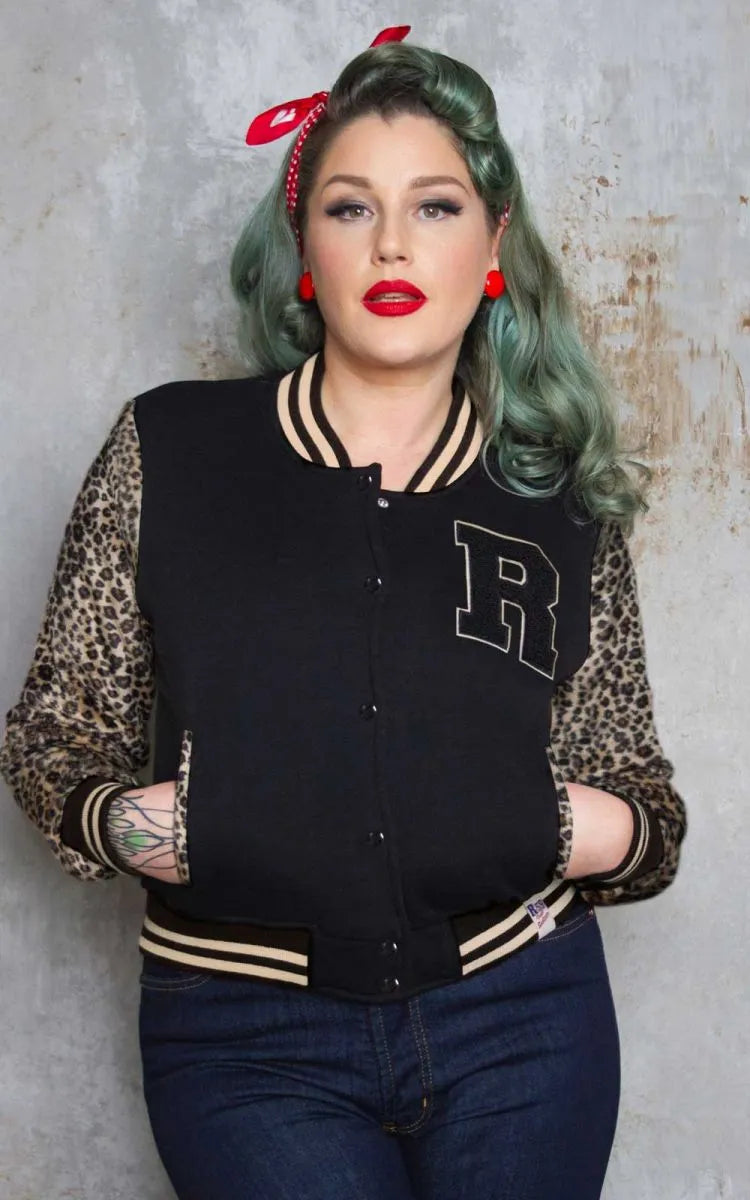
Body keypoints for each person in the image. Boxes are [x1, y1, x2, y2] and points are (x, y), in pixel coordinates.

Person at [0, 25, 687, 1200]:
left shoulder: (556, 497)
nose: (392, 244)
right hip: (243, 1037)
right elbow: (53, 736)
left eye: (434, 206)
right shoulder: (171, 448)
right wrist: (142, 826)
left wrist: (574, 827)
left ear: (493, 246)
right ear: (304, 249)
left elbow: (636, 790)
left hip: (527, 1022)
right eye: (350, 207)